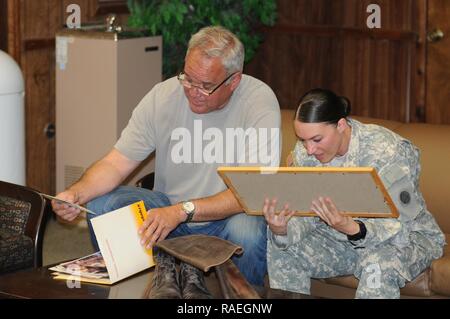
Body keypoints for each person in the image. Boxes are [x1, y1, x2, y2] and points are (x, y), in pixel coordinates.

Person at [52, 25, 281, 298]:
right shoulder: (163, 96)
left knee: (248, 228)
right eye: (188, 78)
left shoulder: (258, 102)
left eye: (206, 86)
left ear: (234, 81)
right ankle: (129, 289)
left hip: (226, 218)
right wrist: (76, 193)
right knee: (101, 205)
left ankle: (243, 298)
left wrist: (183, 210)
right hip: (167, 211)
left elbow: (250, 194)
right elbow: (116, 164)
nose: (193, 91)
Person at [263, 88, 445, 299]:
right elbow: (309, 213)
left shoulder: (387, 151)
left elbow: (402, 223)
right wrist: (283, 229)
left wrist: (354, 229)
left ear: (341, 125)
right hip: (341, 239)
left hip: (404, 240)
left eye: (316, 139)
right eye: (303, 140)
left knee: (378, 265)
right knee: (283, 246)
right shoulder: (304, 153)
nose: (309, 149)